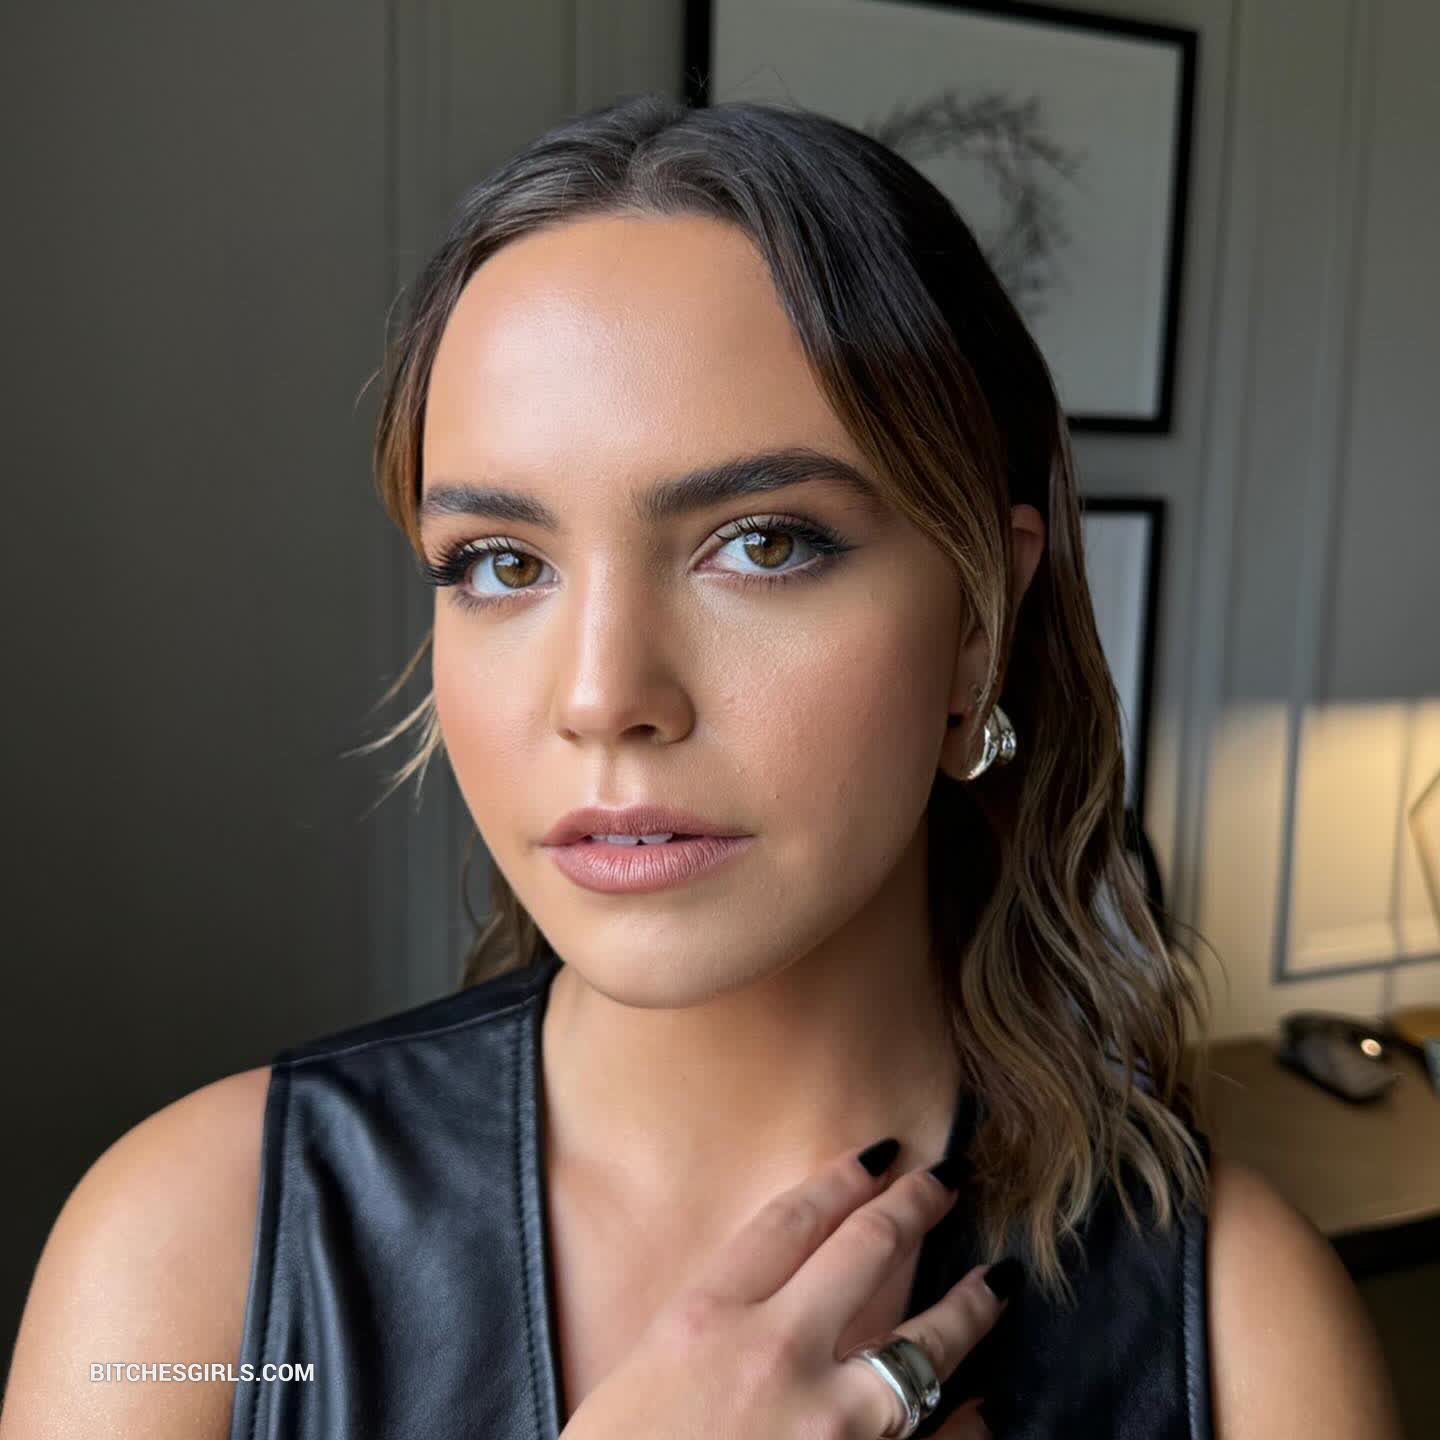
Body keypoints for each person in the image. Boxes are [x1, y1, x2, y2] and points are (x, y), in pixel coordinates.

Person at [0, 96, 1403, 1440]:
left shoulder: (1243, 1328)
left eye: (763, 543)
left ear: (978, 623)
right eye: (501, 564)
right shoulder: (186, 1262)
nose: (602, 697)